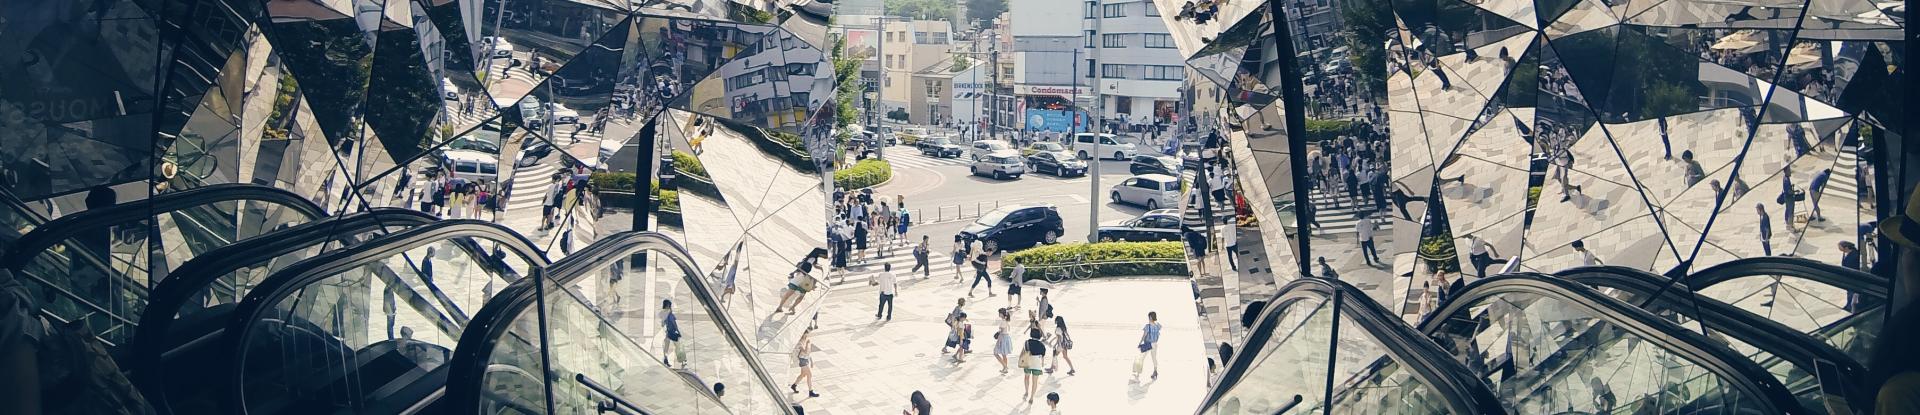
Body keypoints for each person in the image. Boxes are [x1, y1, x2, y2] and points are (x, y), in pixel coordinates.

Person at [790, 327, 820, 398]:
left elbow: (808, 353)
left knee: (803, 374)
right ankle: (811, 392)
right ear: (802, 334)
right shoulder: (799, 343)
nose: (807, 336)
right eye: (805, 335)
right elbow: (805, 351)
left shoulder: (805, 340)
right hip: (802, 360)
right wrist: (807, 343)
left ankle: (794, 385)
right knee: (809, 375)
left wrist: (811, 361)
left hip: (806, 360)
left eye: (807, 334)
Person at [1134, 311, 1162, 380]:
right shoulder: (1157, 325)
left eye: (1149, 316)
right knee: (1154, 358)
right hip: (1155, 344)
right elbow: (1160, 327)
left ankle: (1137, 373)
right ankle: (1155, 371)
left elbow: (1144, 336)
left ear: (1150, 317)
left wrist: (1140, 343)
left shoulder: (1147, 326)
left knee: (1141, 358)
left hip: (1148, 344)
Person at [1021, 329, 1048, 403]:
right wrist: (1042, 363)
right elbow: (1042, 356)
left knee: (1026, 378)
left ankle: (1026, 392)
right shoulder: (1042, 345)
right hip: (1037, 364)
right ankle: (1031, 397)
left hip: (1028, 362)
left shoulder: (1027, 342)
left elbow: (1024, 351)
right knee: (1035, 381)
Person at [662, 299, 683, 367]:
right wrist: (678, 331)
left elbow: (663, 324)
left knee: (666, 347)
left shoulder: (663, 313)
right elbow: (674, 324)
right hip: (672, 332)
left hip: (668, 332)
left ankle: (665, 358)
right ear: (668, 306)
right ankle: (682, 361)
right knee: (678, 346)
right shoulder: (670, 314)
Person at [994, 308, 1014, 374]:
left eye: (999, 313)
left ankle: (1005, 366)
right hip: (1006, 337)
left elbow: (1001, 332)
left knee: (996, 353)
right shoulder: (1005, 320)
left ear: (1002, 314)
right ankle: (1005, 368)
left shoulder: (1003, 321)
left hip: (1003, 338)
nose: (999, 314)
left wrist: (998, 340)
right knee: (1004, 355)